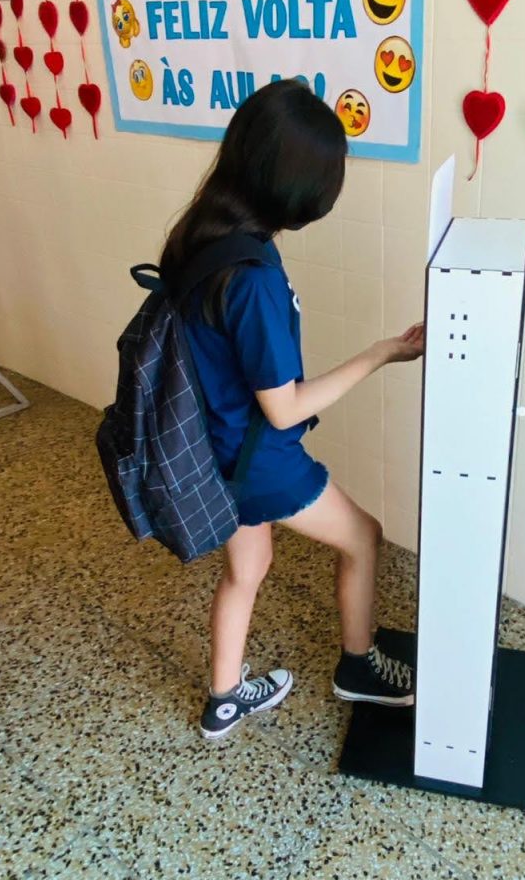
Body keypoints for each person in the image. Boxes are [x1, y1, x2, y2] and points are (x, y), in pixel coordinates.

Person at [159, 79, 424, 739]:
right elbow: (284, 410)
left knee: (247, 568)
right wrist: (382, 353)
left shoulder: (202, 234)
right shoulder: (253, 278)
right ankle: (357, 667)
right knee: (363, 536)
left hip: (210, 447)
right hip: (258, 460)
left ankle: (224, 700)